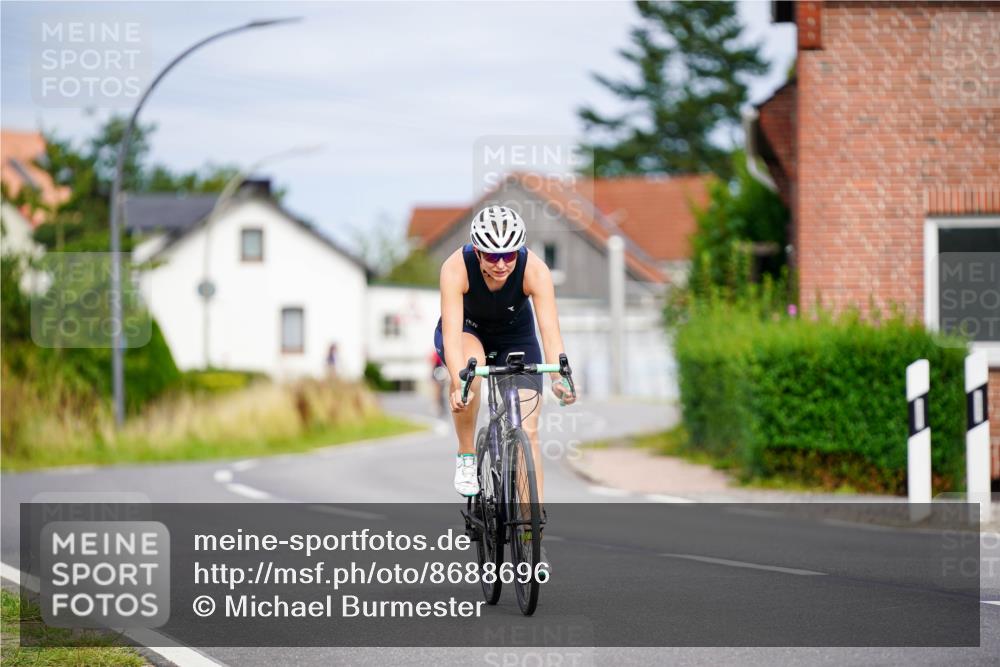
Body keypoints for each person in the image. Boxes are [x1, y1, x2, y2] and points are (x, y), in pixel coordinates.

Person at [434, 205, 576, 501]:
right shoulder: (455, 268)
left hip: (515, 336)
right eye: (492, 256)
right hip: (467, 331)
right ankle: (467, 455)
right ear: (477, 251)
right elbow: (452, 337)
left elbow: (550, 331)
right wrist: (459, 385)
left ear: (519, 250)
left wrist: (560, 378)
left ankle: (530, 523)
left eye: (509, 255)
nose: (501, 264)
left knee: (528, 429)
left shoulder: (535, 269)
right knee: (471, 371)